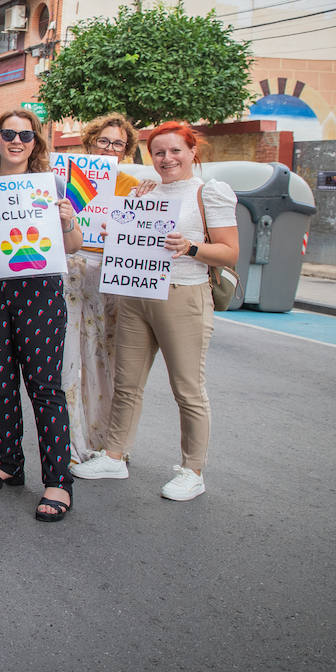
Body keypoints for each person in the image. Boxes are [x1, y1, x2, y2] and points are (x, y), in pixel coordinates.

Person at [72, 122, 238, 502]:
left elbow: (229, 252)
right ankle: (115, 455)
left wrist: (192, 247)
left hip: (183, 293)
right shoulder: (146, 189)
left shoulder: (208, 192)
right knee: (127, 383)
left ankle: (192, 470)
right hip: (136, 292)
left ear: (193, 151)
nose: (166, 159)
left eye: (175, 150)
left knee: (187, 389)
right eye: (159, 152)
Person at [0, 108, 82, 522]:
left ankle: (57, 481)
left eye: (25, 136)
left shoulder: (53, 185)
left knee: (45, 388)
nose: (16, 141)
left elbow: (74, 245)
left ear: (36, 143)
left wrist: (66, 222)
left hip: (40, 290)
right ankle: (8, 461)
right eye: (8, 133)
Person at [62, 113, 143, 463]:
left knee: (104, 360)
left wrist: (144, 203)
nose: (109, 148)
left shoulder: (130, 185)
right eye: (104, 141)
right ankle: (72, 441)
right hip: (69, 273)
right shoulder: (62, 179)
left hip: (109, 278)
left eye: (118, 144)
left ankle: (105, 440)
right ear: (90, 142)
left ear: (126, 151)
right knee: (69, 359)